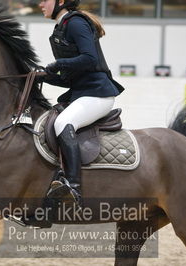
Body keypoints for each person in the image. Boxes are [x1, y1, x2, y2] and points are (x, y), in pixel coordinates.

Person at [38, 0, 125, 204]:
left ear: (61, 2)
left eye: (45, 0)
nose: (40, 3)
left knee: (62, 123)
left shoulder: (75, 23)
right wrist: (41, 75)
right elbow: (68, 78)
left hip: (98, 94)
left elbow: (90, 58)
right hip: (82, 92)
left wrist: (58, 64)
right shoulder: (61, 28)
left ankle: (73, 186)